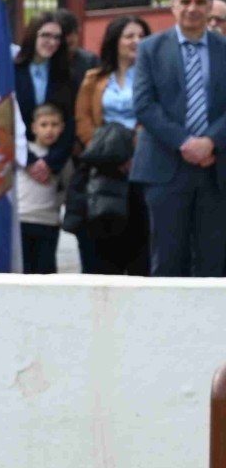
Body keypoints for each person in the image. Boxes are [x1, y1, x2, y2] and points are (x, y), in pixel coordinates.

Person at [132, 0, 226, 277]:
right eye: (185, 1)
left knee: (213, 264)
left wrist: (210, 142)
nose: (192, 8)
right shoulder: (150, 49)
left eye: (200, 1)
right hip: (165, 169)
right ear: (173, 6)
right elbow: (145, 105)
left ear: (210, 6)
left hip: (216, 172)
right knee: (168, 262)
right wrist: (187, 143)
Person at [75, 14, 153, 275]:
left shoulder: (154, 77)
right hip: (104, 168)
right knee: (104, 249)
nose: (136, 41)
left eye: (141, 36)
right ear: (115, 41)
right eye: (129, 36)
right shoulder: (94, 78)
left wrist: (134, 153)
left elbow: (155, 114)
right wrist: (106, 153)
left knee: (139, 244)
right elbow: (83, 119)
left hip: (141, 164)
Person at [13, 12, 76, 253]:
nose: (51, 42)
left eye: (57, 37)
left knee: (46, 244)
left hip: (53, 164)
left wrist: (50, 162)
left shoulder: (65, 73)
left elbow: (71, 121)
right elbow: (2, 118)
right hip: (19, 159)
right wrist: (27, 160)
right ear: (32, 35)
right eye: (45, 35)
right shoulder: (11, 70)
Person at [17, 104, 69, 275]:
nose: (49, 130)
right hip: (22, 219)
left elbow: (66, 187)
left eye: (55, 125)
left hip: (48, 222)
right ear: (33, 127)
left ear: (62, 128)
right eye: (44, 125)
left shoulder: (62, 158)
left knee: (45, 273)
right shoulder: (23, 152)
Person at [58, 8, 99, 76]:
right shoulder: (48, 62)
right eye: (65, 34)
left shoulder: (91, 61)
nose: (69, 38)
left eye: (74, 33)